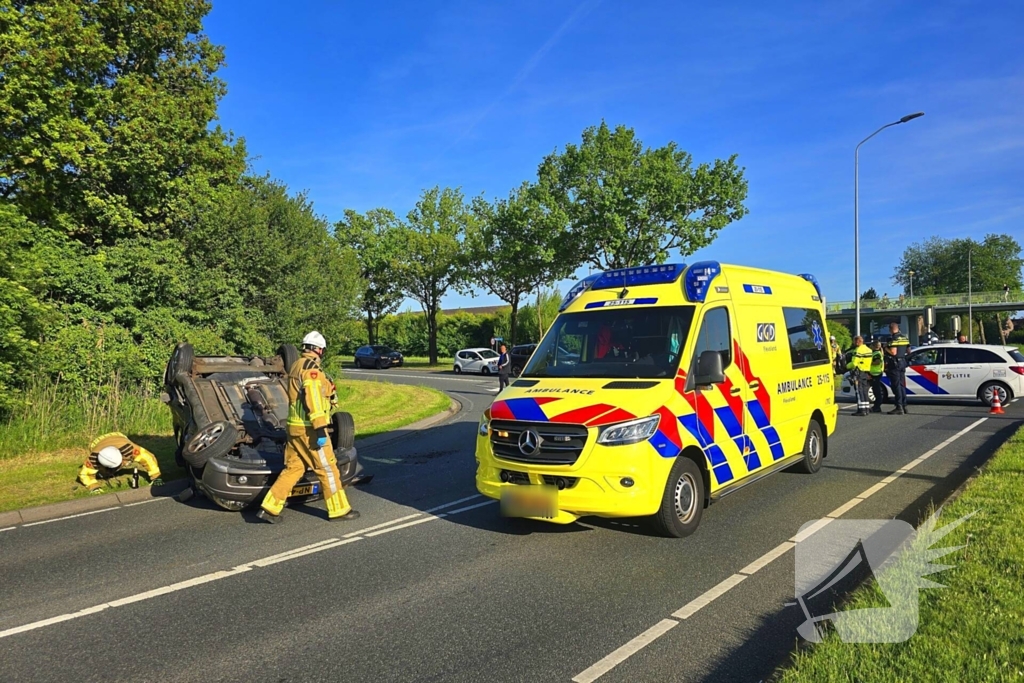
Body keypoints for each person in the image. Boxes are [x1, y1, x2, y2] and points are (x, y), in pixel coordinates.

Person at [257, 331, 359, 523]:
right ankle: (339, 510)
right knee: (327, 468)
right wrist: (320, 428)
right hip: (309, 430)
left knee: (294, 468)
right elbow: (312, 396)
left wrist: (329, 391)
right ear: (319, 350)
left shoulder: (297, 365)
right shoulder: (312, 370)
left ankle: (269, 508)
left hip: (294, 428)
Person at [78, 432, 162, 492]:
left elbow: (148, 458)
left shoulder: (128, 449)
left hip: (118, 437)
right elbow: (85, 474)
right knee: (103, 474)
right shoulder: (93, 458)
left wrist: (156, 477)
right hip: (97, 442)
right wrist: (94, 486)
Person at [884, 321, 910, 415]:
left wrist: (886, 348)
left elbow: (893, 352)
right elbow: (909, 351)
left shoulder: (893, 339)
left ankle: (899, 407)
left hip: (895, 364)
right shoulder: (905, 338)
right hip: (903, 362)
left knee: (896, 385)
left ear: (891, 329)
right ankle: (904, 405)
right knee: (902, 385)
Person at [846, 335, 873, 416]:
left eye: (854, 341)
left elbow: (854, 363)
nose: (854, 343)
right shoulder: (868, 350)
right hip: (866, 371)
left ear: (858, 342)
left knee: (859, 391)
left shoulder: (858, 350)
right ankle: (866, 409)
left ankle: (861, 410)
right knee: (864, 390)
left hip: (858, 372)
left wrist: (846, 366)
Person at [869, 340, 886, 413]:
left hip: (876, 373)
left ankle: (877, 406)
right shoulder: (878, 353)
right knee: (875, 390)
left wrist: (868, 363)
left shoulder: (876, 353)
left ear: (873, 346)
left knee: (877, 391)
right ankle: (877, 406)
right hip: (876, 373)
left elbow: (877, 362)